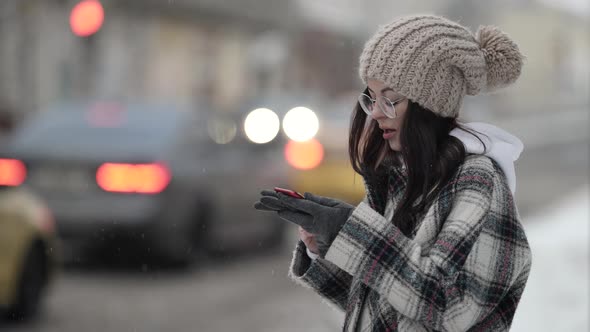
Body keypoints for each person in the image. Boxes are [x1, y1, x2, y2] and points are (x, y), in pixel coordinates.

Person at [254, 14, 532, 331]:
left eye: (390, 99)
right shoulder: (406, 178)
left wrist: (355, 233)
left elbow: (451, 309)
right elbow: (390, 306)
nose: (374, 112)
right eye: (371, 98)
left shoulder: (476, 181)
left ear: (431, 103)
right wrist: (330, 245)